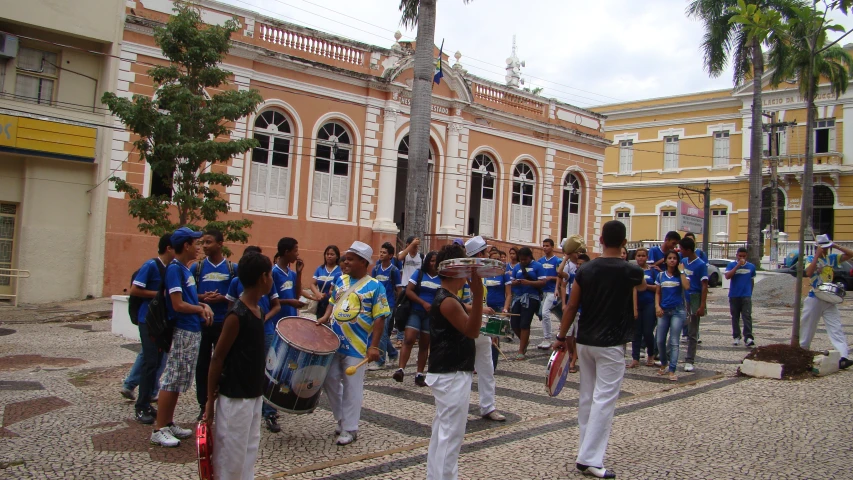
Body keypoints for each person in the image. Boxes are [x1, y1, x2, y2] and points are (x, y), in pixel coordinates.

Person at [552, 220, 647, 479]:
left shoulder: (585, 269)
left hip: (584, 340)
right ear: (625, 244)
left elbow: (571, 306)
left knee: (587, 396)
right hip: (612, 342)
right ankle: (589, 459)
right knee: (604, 399)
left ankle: (586, 449)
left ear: (601, 240)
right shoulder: (632, 271)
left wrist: (561, 336)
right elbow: (641, 286)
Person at [203, 251, 272, 480]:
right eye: (270, 275)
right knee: (230, 455)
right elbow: (218, 357)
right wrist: (210, 402)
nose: (271, 279)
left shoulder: (259, 310)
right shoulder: (237, 315)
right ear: (263, 278)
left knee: (248, 450)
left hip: (253, 393)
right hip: (235, 396)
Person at [317, 241, 390, 445]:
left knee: (352, 387)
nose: (345, 262)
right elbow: (333, 302)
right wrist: (324, 317)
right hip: (334, 341)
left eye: (350, 259)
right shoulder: (340, 280)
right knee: (329, 379)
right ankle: (342, 418)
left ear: (363, 262)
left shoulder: (376, 286)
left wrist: (374, 346)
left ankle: (349, 427)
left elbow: (380, 317)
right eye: (346, 258)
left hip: (357, 345)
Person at [151, 227, 214, 448]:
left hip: (192, 330)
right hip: (182, 329)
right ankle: (159, 429)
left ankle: (168, 422)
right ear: (185, 245)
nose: (199, 248)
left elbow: (187, 298)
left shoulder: (186, 270)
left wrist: (202, 303)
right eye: (196, 243)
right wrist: (198, 310)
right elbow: (177, 304)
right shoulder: (174, 269)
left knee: (179, 379)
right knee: (171, 378)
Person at [424, 243, 484, 480]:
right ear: (454, 270)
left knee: (443, 432)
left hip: (448, 371)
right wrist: (478, 296)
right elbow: (472, 331)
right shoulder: (448, 300)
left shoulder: (447, 298)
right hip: (452, 372)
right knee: (451, 436)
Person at [127, 233, 173, 424]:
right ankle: (141, 405)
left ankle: (147, 401)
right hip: (148, 319)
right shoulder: (151, 265)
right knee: (150, 361)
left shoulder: (170, 268)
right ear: (169, 248)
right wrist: (159, 295)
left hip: (160, 321)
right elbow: (135, 289)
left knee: (155, 362)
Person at [193, 229, 238, 421]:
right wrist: (203, 298)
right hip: (202, 323)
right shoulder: (196, 268)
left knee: (225, 364)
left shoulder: (231, 268)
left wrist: (223, 298)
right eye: (203, 242)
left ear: (220, 243)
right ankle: (203, 403)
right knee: (202, 364)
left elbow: (237, 295)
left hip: (223, 323)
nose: (204, 246)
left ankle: (224, 400)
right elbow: (188, 295)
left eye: (208, 242)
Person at [264, 237, 306, 432]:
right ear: (286, 252)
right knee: (273, 367)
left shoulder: (289, 272)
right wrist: (290, 303)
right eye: (295, 250)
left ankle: (278, 402)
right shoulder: (272, 273)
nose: (297, 253)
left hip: (291, 324)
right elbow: (274, 300)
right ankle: (268, 412)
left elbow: (295, 295)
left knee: (285, 368)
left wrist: (298, 274)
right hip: (276, 325)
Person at [463, 236, 506, 421]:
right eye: (486, 252)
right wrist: (478, 309)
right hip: (465, 328)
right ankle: (460, 407)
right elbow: (456, 302)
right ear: (479, 254)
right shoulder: (463, 277)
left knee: (487, 369)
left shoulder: (483, 277)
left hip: (482, 329)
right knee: (463, 371)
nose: (489, 254)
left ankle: (488, 407)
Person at [801, 234, 853, 369]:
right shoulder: (811, 258)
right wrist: (817, 255)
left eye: (826, 248)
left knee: (836, 327)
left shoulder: (832, 258)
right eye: (823, 248)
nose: (825, 250)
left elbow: (850, 254)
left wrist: (835, 245)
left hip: (829, 297)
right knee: (808, 327)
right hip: (815, 296)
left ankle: (843, 356)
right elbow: (808, 272)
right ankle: (802, 351)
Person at [393, 251, 440, 385]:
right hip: (415, 311)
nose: (434, 263)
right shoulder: (419, 274)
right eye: (432, 260)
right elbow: (408, 290)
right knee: (408, 339)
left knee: (424, 344)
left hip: (430, 315)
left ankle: (419, 373)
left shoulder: (442, 278)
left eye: (436, 261)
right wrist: (422, 303)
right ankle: (400, 369)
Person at [655, 250, 690, 382]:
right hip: (663, 311)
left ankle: (672, 369)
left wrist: (681, 272)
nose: (672, 260)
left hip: (677, 311)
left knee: (674, 341)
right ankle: (664, 362)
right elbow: (658, 293)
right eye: (669, 258)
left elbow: (687, 287)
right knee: (659, 340)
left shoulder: (680, 275)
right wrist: (657, 306)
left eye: (674, 258)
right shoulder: (660, 276)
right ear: (665, 260)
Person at [508, 247, 546, 360]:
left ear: (530, 257)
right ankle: (525, 341)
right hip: (518, 297)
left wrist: (529, 282)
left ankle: (521, 350)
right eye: (521, 260)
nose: (523, 261)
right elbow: (511, 281)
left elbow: (543, 282)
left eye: (525, 259)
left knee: (525, 323)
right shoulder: (517, 267)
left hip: (531, 297)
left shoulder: (538, 266)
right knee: (514, 323)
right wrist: (516, 282)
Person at [369, 242, 402, 370]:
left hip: (389, 305)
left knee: (382, 332)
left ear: (390, 255)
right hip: (376, 304)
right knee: (380, 332)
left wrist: (399, 304)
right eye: (380, 252)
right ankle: (393, 353)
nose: (381, 254)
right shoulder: (376, 269)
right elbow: (372, 285)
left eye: (384, 253)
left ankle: (380, 361)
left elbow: (399, 288)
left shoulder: (394, 271)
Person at [680, 237, 708, 373]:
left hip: (695, 298)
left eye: (682, 249)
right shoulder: (683, 262)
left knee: (692, 331)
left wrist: (702, 305)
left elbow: (704, 286)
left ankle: (690, 359)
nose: (680, 251)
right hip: (683, 298)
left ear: (688, 250)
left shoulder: (701, 265)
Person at [629, 248, 658, 368]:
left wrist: (645, 286)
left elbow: (658, 288)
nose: (641, 258)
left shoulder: (652, 271)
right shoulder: (633, 271)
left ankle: (650, 354)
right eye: (638, 256)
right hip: (636, 304)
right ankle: (635, 358)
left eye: (643, 256)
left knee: (647, 332)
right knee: (636, 332)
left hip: (649, 303)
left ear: (647, 257)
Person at [725, 247, 756, 347]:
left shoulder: (751, 266)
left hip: (746, 295)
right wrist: (737, 266)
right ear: (737, 255)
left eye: (743, 256)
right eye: (740, 256)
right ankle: (736, 336)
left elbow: (752, 280)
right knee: (735, 317)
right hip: (734, 295)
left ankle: (748, 337)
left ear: (746, 256)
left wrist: (750, 292)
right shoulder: (731, 265)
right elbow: (727, 276)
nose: (741, 258)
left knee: (747, 316)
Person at [537, 239, 563, 350]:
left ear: (552, 247)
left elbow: (561, 276)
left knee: (545, 312)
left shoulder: (557, 261)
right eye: (543, 246)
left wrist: (551, 278)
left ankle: (547, 338)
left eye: (547, 246)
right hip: (544, 292)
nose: (545, 248)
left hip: (553, 291)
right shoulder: (540, 261)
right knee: (544, 313)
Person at [309, 245, 342, 318]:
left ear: (337, 256)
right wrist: (317, 294)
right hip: (321, 303)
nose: (329, 256)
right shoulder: (320, 269)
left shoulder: (340, 269)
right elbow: (312, 284)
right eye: (327, 254)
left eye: (332, 254)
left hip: (334, 303)